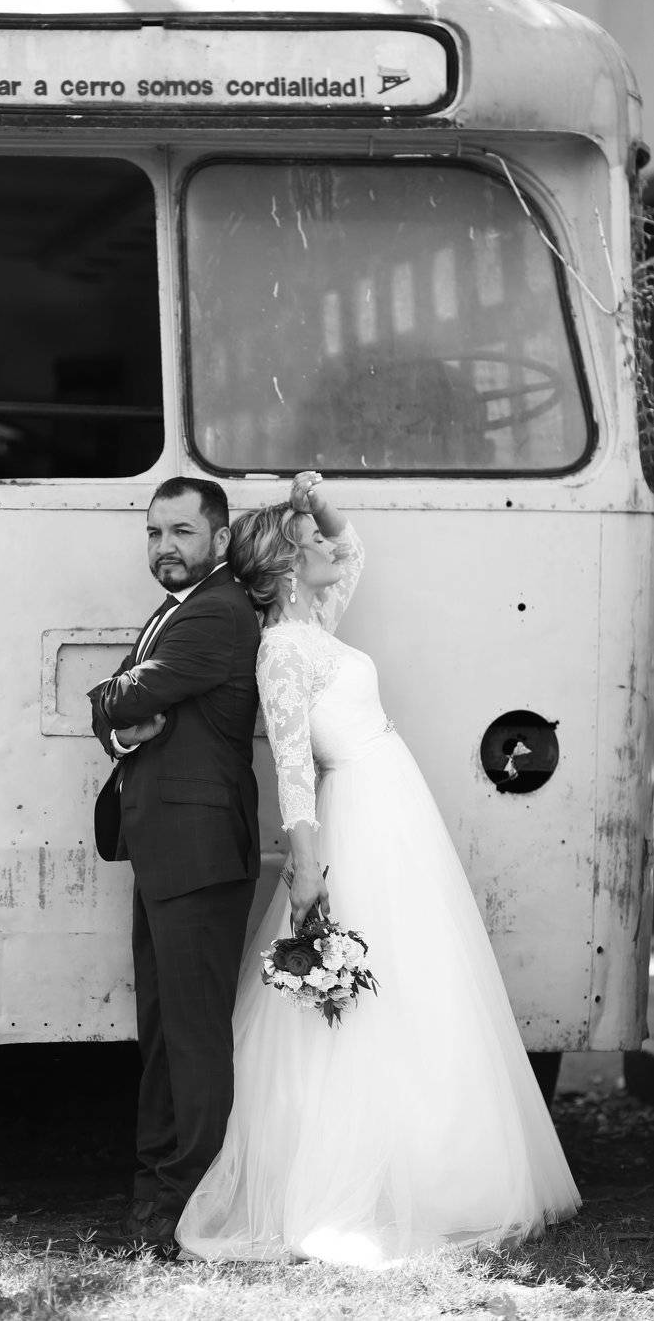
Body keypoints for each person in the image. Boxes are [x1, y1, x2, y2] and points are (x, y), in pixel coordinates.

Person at [176, 471, 581, 1266]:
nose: (329, 548)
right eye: (311, 542)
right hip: (356, 816)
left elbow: (350, 547)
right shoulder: (282, 650)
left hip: (394, 808)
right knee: (367, 991)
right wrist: (306, 868)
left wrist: (314, 502)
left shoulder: (317, 621)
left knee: (420, 978)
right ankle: (364, 1177)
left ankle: (441, 1164)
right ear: (288, 566)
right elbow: (291, 765)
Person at [88, 476, 261, 1256]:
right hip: (163, 849)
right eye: (154, 532)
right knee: (161, 1034)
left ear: (218, 539)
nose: (164, 546)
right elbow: (118, 710)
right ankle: (154, 1192)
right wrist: (119, 722)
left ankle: (190, 1208)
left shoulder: (218, 612)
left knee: (192, 1038)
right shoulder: (176, 608)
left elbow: (120, 694)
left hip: (199, 854)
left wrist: (113, 704)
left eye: (181, 532)